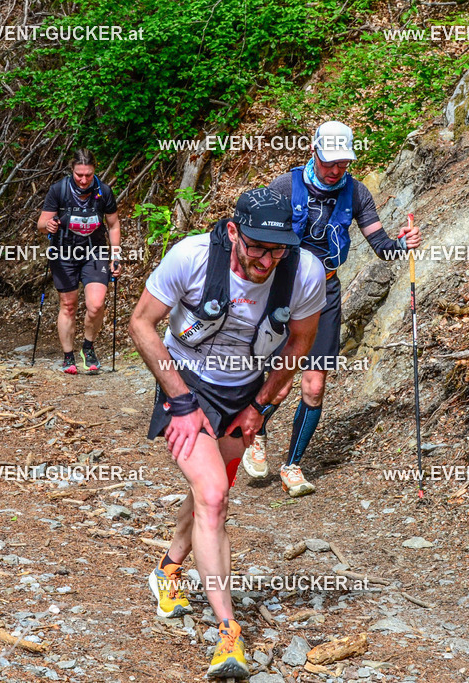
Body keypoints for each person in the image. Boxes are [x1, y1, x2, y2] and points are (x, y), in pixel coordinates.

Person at [128, 188, 325, 679]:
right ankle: (228, 634)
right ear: (234, 231)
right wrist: (179, 400)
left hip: (246, 391)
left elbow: (299, 344)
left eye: (277, 249)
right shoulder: (191, 258)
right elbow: (140, 324)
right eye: (257, 246)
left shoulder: (304, 272)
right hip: (187, 381)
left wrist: (261, 405)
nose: (266, 259)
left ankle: (168, 570)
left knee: (207, 496)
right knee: (214, 496)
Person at [241, 121, 422, 496]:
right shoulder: (284, 187)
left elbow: (381, 246)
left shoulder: (356, 193)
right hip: (283, 293)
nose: (336, 169)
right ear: (315, 152)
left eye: (343, 162)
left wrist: (404, 244)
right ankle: (253, 433)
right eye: (330, 162)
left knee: (315, 384)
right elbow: (255, 242)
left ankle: (292, 466)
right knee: (280, 383)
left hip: (324, 292)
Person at [37, 149, 122, 374]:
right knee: (69, 305)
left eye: (88, 174)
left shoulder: (103, 191)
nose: (83, 180)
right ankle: (68, 356)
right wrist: (50, 225)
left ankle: (88, 346)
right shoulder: (59, 190)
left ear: (94, 170)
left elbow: (113, 225)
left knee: (96, 305)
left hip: (94, 253)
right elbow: (42, 223)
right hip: (64, 253)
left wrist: (116, 256)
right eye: (79, 175)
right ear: (72, 171)